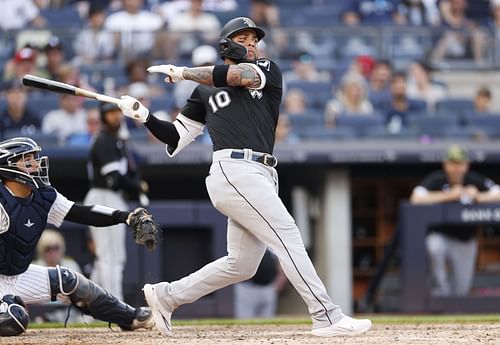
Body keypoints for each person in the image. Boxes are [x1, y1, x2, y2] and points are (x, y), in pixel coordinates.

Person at [118, 16, 372, 337]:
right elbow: (175, 137)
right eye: (244, 38)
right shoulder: (202, 93)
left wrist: (181, 72)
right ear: (226, 44)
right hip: (234, 169)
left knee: (242, 264)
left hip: (261, 172)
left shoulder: (266, 69)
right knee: (287, 236)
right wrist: (143, 116)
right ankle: (326, 315)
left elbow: (234, 75)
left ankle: (167, 297)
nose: (252, 44)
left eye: (254, 39)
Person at [0, 136, 155, 336]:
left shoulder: (44, 196)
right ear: (8, 167)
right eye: (27, 159)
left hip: (18, 275)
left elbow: (81, 212)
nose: (36, 164)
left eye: (35, 158)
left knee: (69, 281)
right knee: (14, 320)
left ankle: (130, 318)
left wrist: (127, 217)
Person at [410, 145, 500, 296]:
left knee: (461, 291)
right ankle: (439, 291)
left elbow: (497, 193)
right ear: (446, 165)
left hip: (465, 241)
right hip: (441, 236)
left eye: (460, 163)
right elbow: (416, 198)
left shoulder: (473, 179)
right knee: (434, 246)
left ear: (466, 165)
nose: (456, 168)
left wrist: (479, 197)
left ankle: (452, 307)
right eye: (453, 163)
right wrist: (450, 195)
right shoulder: (437, 179)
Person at [84, 103, 149, 300]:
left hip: (112, 198)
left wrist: (135, 183)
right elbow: (113, 178)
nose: (115, 117)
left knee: (109, 257)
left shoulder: (117, 141)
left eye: (117, 112)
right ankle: (116, 304)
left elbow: (128, 170)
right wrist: (136, 187)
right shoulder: (104, 140)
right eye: (110, 113)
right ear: (103, 117)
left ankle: (88, 307)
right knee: (109, 256)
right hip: (103, 195)